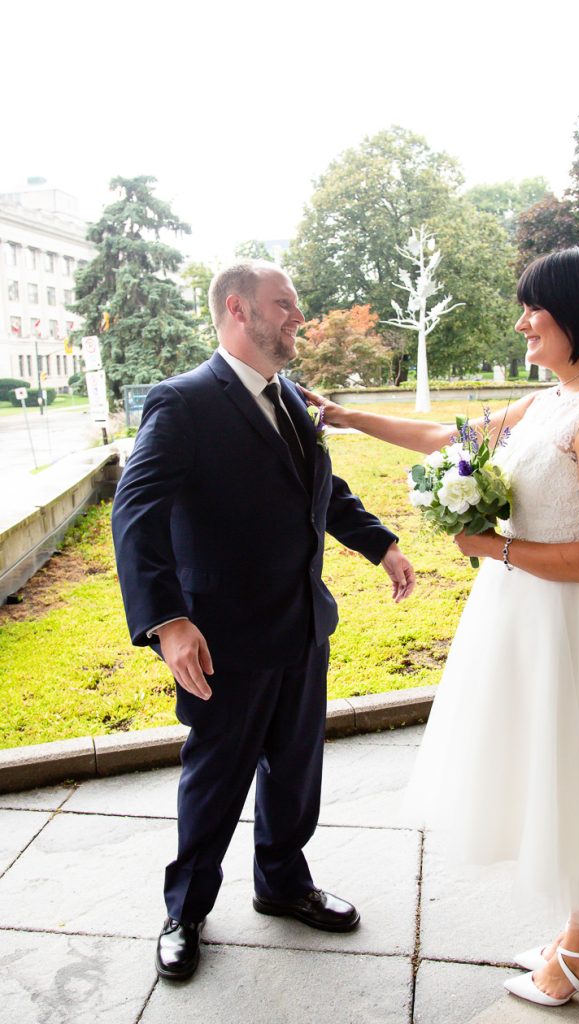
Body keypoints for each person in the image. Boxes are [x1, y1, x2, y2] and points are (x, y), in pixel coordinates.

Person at [303, 246, 579, 1008]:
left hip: (568, 623)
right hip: (521, 614)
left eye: (532, 309)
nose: (520, 323)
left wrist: (493, 548)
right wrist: (344, 417)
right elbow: (447, 441)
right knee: (547, 771)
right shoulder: (547, 401)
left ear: (574, 312)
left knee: (575, 773)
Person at [111, 260, 415, 981]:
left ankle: (281, 882)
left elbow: (320, 488)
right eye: (285, 304)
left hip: (303, 626)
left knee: (295, 771)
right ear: (238, 311)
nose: (298, 317)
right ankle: (185, 911)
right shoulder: (183, 402)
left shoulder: (289, 397)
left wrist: (380, 544)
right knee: (216, 782)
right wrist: (168, 621)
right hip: (224, 641)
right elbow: (135, 513)